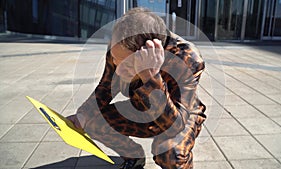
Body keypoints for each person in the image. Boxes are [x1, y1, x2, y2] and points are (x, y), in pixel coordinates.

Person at [67, 7, 206, 169]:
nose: (117, 70)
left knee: (169, 153)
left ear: (146, 55)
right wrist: (83, 114)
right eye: (114, 59)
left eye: (126, 66)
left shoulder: (187, 59)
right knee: (91, 120)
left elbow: (175, 126)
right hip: (142, 104)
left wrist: (151, 76)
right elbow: (106, 87)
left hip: (181, 112)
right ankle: (134, 156)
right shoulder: (120, 48)